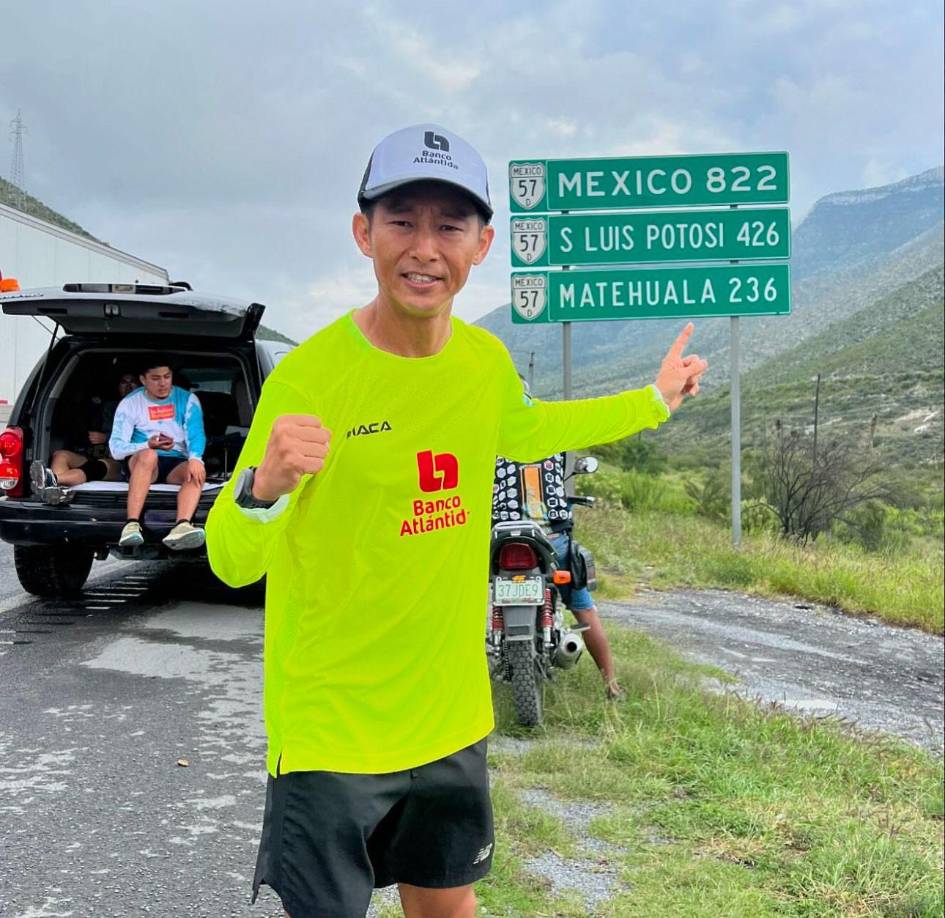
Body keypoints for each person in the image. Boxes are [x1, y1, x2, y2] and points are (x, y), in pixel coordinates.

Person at [205, 123, 707, 918]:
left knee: (446, 910)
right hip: (331, 729)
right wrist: (261, 487)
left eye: (449, 226)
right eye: (402, 221)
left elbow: (535, 429)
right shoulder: (310, 376)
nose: (424, 248)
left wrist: (654, 402)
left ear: (482, 244)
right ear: (363, 231)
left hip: (447, 716)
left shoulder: (481, 364)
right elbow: (232, 562)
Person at [492, 449, 623, 698]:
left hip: (500, 536)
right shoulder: (554, 438)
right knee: (582, 607)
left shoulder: (490, 441)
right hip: (551, 535)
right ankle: (611, 685)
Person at [108, 356, 207, 551]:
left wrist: (196, 458)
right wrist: (148, 444)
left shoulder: (188, 399)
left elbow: (196, 434)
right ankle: (131, 524)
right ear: (143, 380)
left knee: (195, 469)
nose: (163, 383)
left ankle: (182, 525)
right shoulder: (130, 403)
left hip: (175, 461)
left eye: (167, 377)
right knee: (149, 456)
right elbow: (116, 449)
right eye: (155, 378)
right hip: (142, 464)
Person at [31, 372, 138, 494]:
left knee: (94, 467)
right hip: (95, 454)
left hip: (120, 462)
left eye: (132, 382)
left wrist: (106, 438)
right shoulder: (108, 407)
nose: (128, 386)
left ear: (141, 384)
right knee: (60, 455)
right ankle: (57, 492)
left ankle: (52, 481)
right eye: (124, 382)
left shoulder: (143, 408)